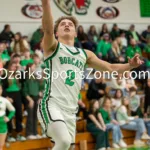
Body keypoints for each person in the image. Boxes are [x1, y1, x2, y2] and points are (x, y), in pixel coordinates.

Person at [38, 1, 144, 150]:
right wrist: (46, 4)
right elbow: (47, 30)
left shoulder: (84, 54)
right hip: (52, 104)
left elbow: (111, 67)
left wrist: (130, 66)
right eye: (62, 24)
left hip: (71, 109)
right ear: (57, 33)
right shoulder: (52, 47)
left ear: (76, 33)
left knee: (67, 146)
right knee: (63, 142)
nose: (67, 25)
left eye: (70, 24)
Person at [0, 85, 15, 150]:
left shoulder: (4, 100)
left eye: (0, 89)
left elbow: (12, 110)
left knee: (1, 145)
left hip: (2, 124)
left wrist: (8, 118)